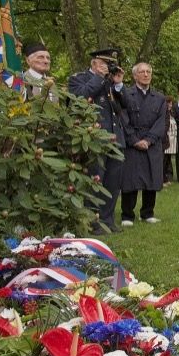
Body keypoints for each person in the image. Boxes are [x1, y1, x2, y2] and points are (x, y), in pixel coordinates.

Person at [68, 48, 127, 234]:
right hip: (94, 138)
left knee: (113, 183)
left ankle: (108, 220)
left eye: (111, 64)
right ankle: (93, 222)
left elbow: (126, 106)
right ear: (94, 63)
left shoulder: (111, 83)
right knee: (95, 181)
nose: (109, 67)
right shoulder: (79, 78)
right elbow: (80, 98)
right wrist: (99, 78)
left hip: (115, 139)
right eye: (105, 63)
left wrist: (118, 85)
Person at [119, 63, 167, 225]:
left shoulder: (160, 98)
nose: (146, 75)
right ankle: (127, 215)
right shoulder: (126, 94)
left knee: (151, 177)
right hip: (133, 142)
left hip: (151, 143)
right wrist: (134, 140)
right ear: (135, 76)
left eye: (148, 72)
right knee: (130, 179)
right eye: (142, 72)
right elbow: (123, 119)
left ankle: (147, 213)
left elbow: (162, 122)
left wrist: (149, 140)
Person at [163, 95, 177, 184]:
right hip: (166, 138)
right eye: (168, 103)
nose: (170, 105)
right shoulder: (164, 113)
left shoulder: (171, 113)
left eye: (171, 103)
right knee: (163, 161)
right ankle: (162, 179)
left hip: (172, 140)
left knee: (168, 160)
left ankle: (166, 178)